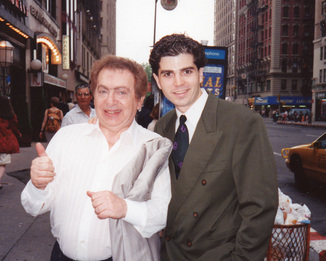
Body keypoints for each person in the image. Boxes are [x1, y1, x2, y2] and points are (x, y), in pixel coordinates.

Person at [21, 55, 172, 261]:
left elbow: (163, 212)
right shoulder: (67, 137)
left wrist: (124, 208)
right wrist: (38, 185)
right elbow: (32, 206)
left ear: (138, 100)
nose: (110, 101)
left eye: (121, 92)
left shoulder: (154, 147)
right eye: (103, 91)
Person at [149, 33, 278, 260]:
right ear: (158, 81)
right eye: (168, 74)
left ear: (200, 74)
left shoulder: (241, 122)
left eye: (186, 71)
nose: (178, 83)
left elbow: (260, 207)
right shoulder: (162, 127)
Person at [0, 96, 21, 190]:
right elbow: (14, 126)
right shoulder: (10, 115)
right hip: (5, 141)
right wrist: (18, 134)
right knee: (2, 163)